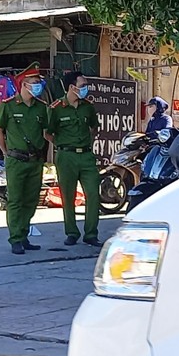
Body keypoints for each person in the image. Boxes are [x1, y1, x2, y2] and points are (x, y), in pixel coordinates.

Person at [0, 62, 48, 255]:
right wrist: (5, 151)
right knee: (15, 200)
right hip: (16, 160)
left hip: (35, 160)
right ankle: (15, 238)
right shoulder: (7, 106)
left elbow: (46, 132)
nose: (38, 86)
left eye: (39, 82)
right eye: (34, 82)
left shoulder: (41, 108)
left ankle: (24, 234)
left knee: (31, 200)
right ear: (24, 84)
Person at [45, 71, 101, 247]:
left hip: (86, 155)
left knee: (92, 193)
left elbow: (93, 128)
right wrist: (62, 144)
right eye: (83, 85)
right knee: (67, 196)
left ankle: (91, 233)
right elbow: (47, 133)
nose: (86, 89)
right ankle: (71, 232)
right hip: (66, 156)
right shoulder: (56, 108)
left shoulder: (88, 107)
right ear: (72, 87)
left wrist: (85, 144)